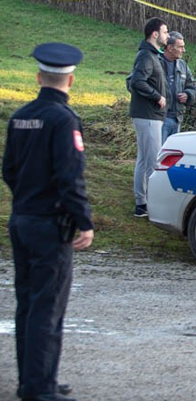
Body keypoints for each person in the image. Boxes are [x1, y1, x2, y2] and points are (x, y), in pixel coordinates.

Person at [3, 43, 95, 401]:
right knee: (48, 306)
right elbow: (70, 177)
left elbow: (8, 170)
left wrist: (27, 197)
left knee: (27, 303)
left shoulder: (19, 116)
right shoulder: (64, 121)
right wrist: (83, 221)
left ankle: (34, 378)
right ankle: (40, 388)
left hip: (23, 217)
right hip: (49, 224)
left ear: (39, 77)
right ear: (70, 80)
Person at [129, 17, 169, 218]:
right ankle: (151, 205)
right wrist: (157, 96)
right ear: (155, 34)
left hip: (149, 114)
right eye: (165, 32)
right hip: (147, 114)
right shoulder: (146, 55)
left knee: (144, 159)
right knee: (152, 161)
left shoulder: (151, 55)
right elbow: (136, 81)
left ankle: (142, 203)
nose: (167, 36)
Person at [160, 31, 196, 143]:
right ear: (170, 48)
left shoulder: (183, 65)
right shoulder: (155, 62)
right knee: (157, 155)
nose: (184, 50)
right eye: (180, 47)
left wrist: (188, 95)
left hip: (177, 119)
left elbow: (193, 88)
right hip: (160, 118)